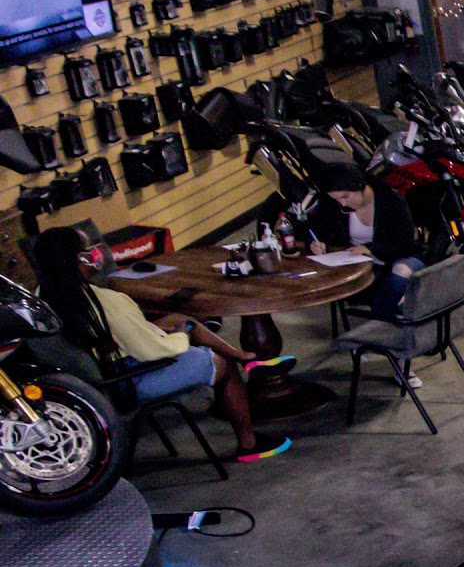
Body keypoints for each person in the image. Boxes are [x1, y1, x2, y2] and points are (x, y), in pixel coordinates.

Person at [29, 227, 291, 462]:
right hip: (126, 381)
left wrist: (165, 329)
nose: (98, 254)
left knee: (178, 320)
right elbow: (152, 350)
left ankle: (245, 358)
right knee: (220, 364)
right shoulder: (106, 301)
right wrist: (181, 334)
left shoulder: (43, 300)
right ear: (80, 259)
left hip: (99, 380)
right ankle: (249, 444)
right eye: (91, 250)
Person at [304, 162, 421, 319]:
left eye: (345, 196)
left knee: (401, 271)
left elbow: (404, 244)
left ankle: (381, 316)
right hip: (358, 264)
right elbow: (313, 228)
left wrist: (371, 248)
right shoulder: (335, 205)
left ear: (360, 186)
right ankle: (390, 312)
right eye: (337, 199)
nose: (343, 203)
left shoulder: (391, 201)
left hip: (394, 258)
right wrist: (314, 243)